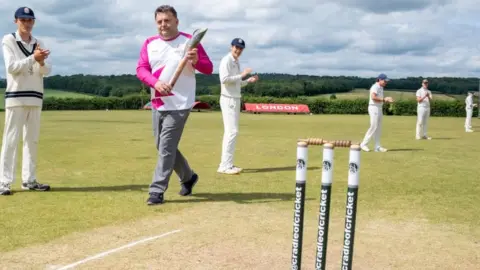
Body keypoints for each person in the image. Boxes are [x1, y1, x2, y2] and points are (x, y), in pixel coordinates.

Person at [136, 5, 213, 205]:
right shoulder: (149, 43)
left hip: (180, 103)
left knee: (167, 147)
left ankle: (157, 190)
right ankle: (189, 177)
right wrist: (155, 83)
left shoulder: (189, 42)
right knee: (161, 146)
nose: (163, 25)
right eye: (160, 21)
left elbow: (208, 68)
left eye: (167, 20)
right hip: (158, 101)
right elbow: (141, 69)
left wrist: (196, 61)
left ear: (176, 21)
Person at [0, 7, 52, 196]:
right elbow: (12, 67)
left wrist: (41, 62)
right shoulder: (8, 40)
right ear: (16, 21)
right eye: (23, 20)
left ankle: (29, 180)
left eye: (30, 20)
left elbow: (47, 71)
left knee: (32, 141)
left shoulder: (39, 43)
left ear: (34, 22)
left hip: (35, 97)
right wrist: (33, 58)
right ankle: (3, 182)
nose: (27, 23)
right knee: (11, 140)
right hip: (16, 97)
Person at [217, 38, 258, 175]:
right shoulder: (226, 60)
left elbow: (237, 83)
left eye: (240, 48)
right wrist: (242, 74)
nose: (238, 50)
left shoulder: (236, 62)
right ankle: (224, 165)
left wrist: (247, 80)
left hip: (235, 99)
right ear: (231, 47)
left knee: (232, 132)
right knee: (231, 131)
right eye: (236, 47)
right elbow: (224, 79)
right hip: (228, 99)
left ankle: (228, 164)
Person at [360, 73, 394, 152]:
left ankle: (377, 146)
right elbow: (373, 97)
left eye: (386, 81)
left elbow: (380, 98)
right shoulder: (375, 87)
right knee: (373, 126)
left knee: (378, 128)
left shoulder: (381, 87)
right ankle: (363, 144)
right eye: (385, 81)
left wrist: (386, 99)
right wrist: (385, 99)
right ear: (379, 80)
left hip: (379, 107)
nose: (386, 82)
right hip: (373, 107)